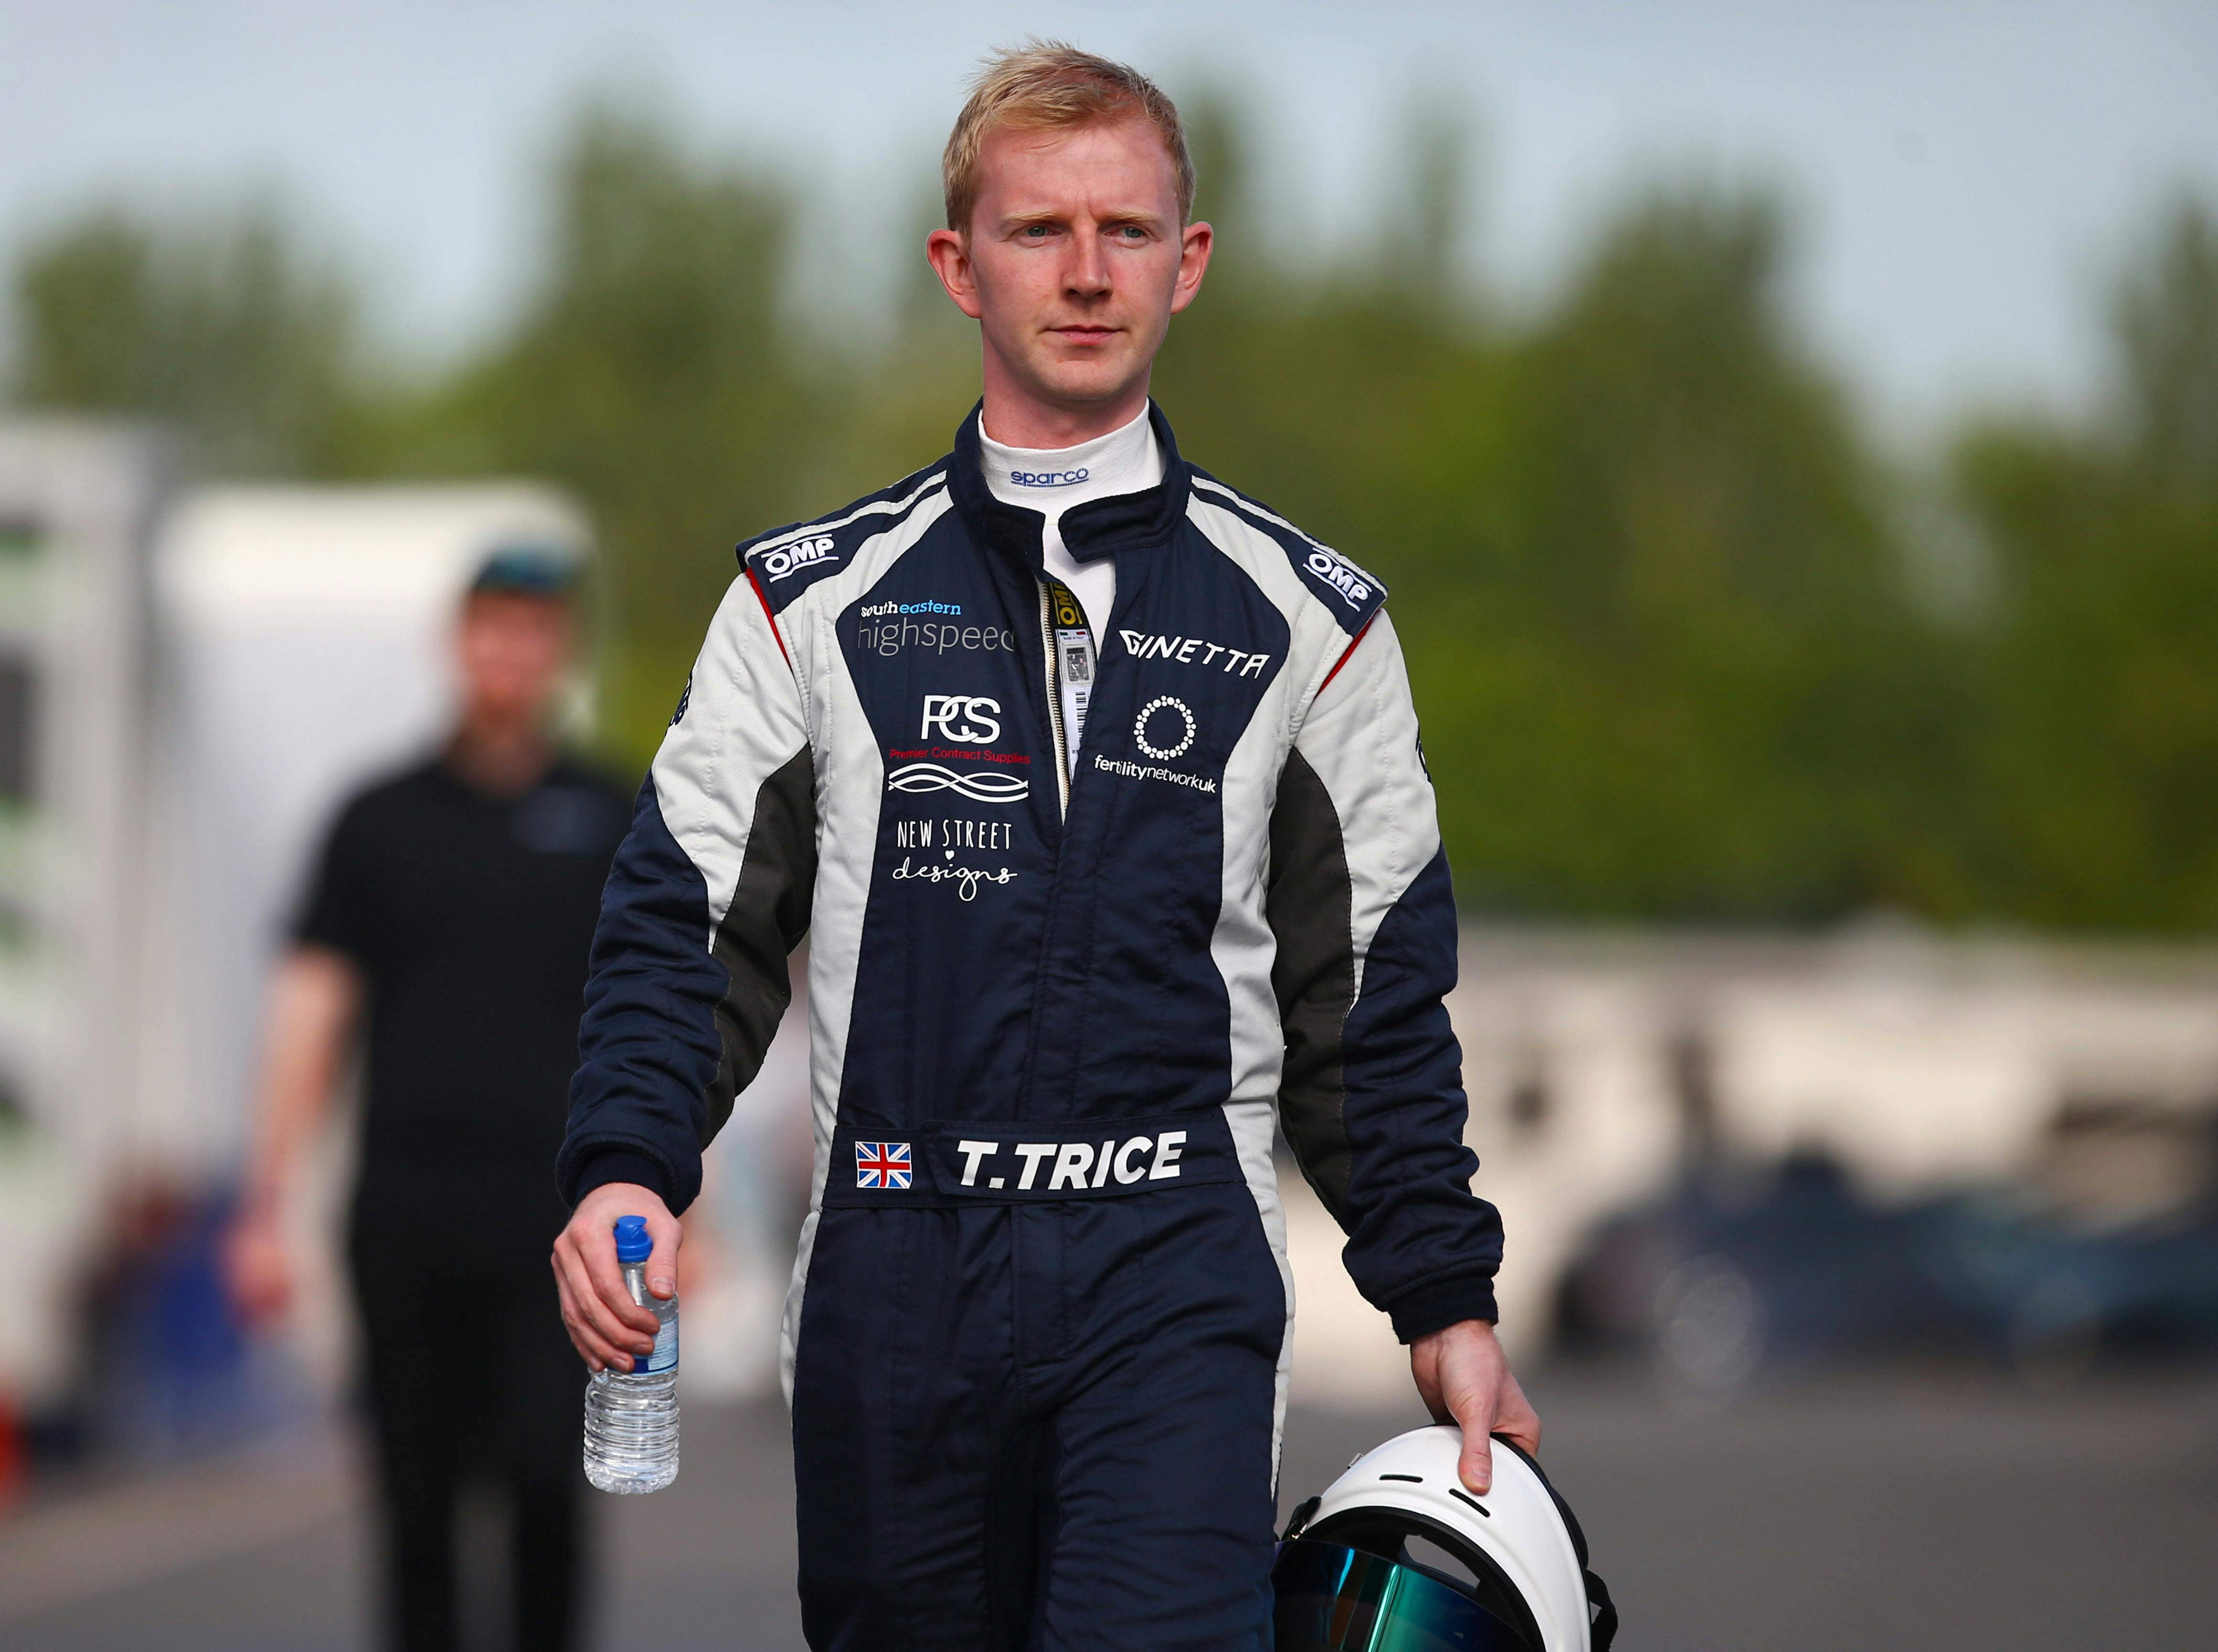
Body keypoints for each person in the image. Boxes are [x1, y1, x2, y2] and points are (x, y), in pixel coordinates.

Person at [554, 41, 1538, 1651]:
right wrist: (620, 1165)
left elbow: (1368, 1002)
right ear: (958, 264)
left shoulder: (1317, 626)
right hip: (892, 1276)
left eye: (1126, 231)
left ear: (1188, 262)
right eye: (1037, 231)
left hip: (1171, 1276)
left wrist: (1440, 1292)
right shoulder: (806, 606)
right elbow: (684, 927)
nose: (1086, 273)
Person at [228, 548, 630, 1652]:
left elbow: (667, 1015)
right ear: (457, 647)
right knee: (418, 1509)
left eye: (533, 630)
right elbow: (310, 1011)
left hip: (563, 1228)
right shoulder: (378, 819)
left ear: (560, 650)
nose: (510, 652)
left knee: (551, 1492)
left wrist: (686, 1198)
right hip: (406, 1215)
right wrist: (264, 1205)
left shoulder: (613, 814)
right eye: (491, 629)